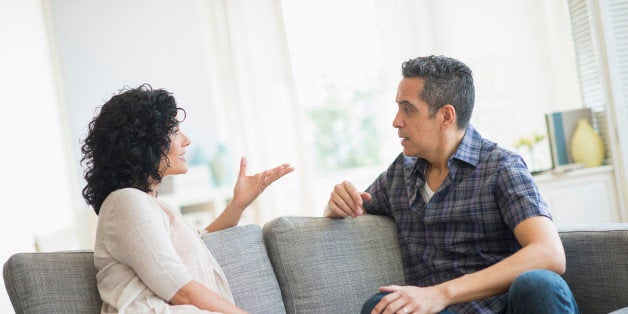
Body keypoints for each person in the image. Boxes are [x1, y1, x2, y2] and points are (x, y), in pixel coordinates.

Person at [324, 56, 580, 314]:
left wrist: (440, 294)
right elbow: (357, 208)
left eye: (408, 109)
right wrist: (337, 207)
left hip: (507, 308)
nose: (396, 121)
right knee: (381, 305)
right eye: (398, 109)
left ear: (446, 116)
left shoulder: (500, 167)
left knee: (539, 284)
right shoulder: (400, 174)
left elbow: (549, 254)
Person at [81, 84, 294, 313]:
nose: (186, 140)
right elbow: (181, 290)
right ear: (144, 141)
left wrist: (237, 204)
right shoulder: (126, 203)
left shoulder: (147, 204)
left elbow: (197, 243)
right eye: (174, 131)